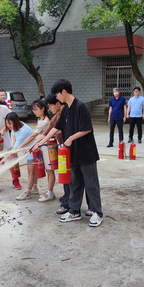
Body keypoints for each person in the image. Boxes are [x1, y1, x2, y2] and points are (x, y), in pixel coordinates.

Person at [33, 79, 104, 227]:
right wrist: (42, 141)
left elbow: (87, 128)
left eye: (57, 94)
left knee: (91, 184)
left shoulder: (80, 106)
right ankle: (74, 211)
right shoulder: (65, 109)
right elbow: (56, 128)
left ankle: (97, 213)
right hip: (72, 153)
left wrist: (70, 138)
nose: (57, 97)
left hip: (86, 153)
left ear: (64, 92)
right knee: (74, 183)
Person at [4, 112, 38, 200]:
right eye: (7, 123)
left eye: (10, 123)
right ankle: (34, 188)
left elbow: (16, 148)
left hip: (33, 152)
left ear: (15, 122)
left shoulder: (24, 130)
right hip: (28, 152)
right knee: (32, 171)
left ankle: (27, 193)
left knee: (31, 172)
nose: (8, 126)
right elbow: (14, 141)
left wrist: (4, 159)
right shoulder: (17, 126)